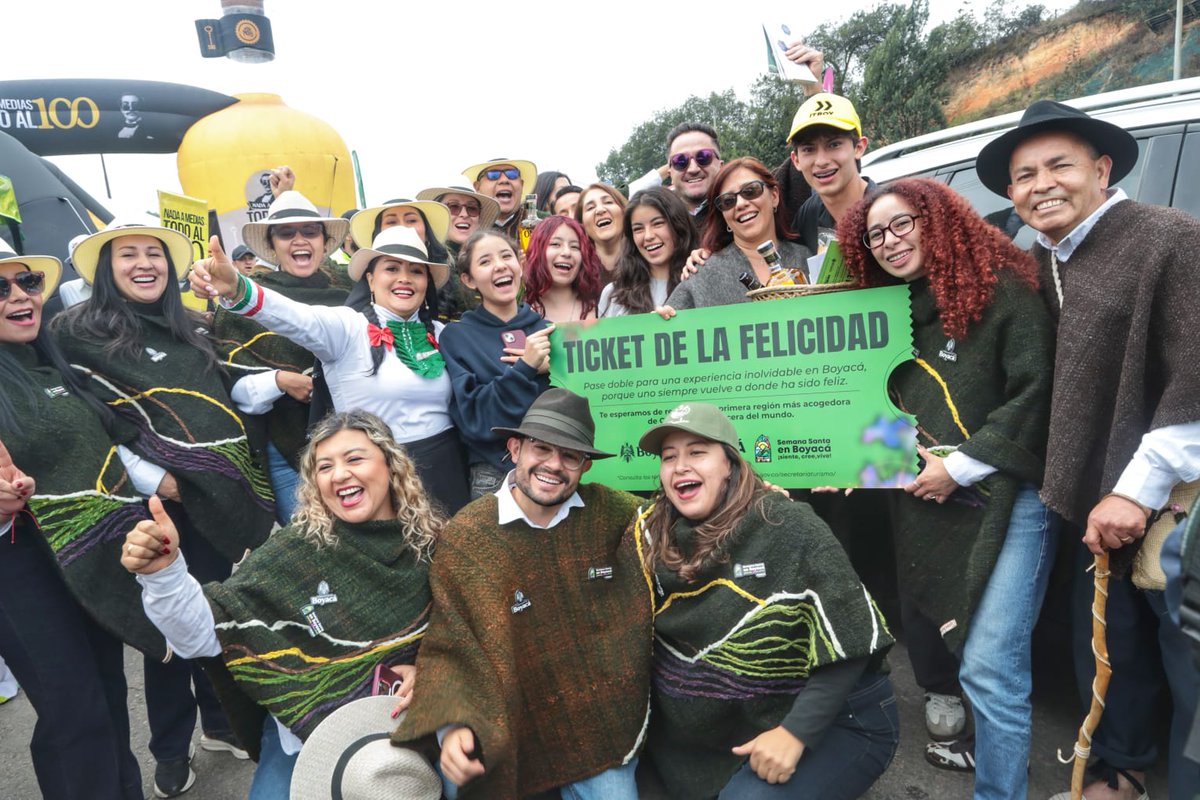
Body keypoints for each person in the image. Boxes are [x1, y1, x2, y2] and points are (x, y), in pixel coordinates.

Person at [974, 99, 1200, 800]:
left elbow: (1196, 370)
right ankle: (1122, 770)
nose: (1040, 185)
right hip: (1085, 495)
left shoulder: (1168, 239)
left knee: (1182, 652)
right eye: (1022, 175)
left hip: (1168, 500)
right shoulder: (1034, 263)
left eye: (1058, 166)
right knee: (1109, 640)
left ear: (1101, 169)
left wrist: (1136, 488)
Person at [838, 177, 1060, 800]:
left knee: (989, 669)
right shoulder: (887, 316)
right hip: (929, 503)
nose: (889, 241)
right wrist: (865, 464)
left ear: (937, 219)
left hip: (1012, 501)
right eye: (875, 234)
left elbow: (1035, 392)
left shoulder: (1004, 289)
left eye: (902, 224)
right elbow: (884, 407)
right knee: (973, 662)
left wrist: (958, 467)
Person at [51, 219, 275, 798]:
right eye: (129, 254)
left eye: (154, 253)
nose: (144, 263)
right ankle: (171, 749)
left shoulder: (192, 326)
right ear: (107, 267)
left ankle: (224, 724)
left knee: (222, 613)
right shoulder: (74, 333)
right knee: (169, 631)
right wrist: (159, 477)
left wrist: (277, 381)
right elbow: (89, 420)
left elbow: (220, 400)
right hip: (150, 500)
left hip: (220, 495)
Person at [122, 410, 442, 800]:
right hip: (307, 730)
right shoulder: (294, 551)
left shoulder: (435, 548)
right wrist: (165, 574)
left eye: (354, 459)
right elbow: (202, 638)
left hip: (416, 724)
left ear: (393, 467)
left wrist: (431, 669)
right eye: (324, 467)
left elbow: (469, 636)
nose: (339, 474)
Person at [393, 389, 651, 799]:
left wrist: (754, 496)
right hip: (507, 719)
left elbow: (682, 521)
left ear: (585, 465)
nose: (554, 465)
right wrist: (452, 724)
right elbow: (451, 643)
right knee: (468, 778)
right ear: (515, 449)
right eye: (541, 448)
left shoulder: (613, 512)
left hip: (595, 724)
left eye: (570, 456)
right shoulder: (469, 536)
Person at [636, 402, 897, 799]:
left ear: (730, 464)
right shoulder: (653, 532)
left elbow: (854, 635)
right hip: (727, 722)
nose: (680, 466)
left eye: (697, 452)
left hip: (838, 714)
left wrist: (796, 734)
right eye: (669, 457)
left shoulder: (786, 524)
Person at [0, 241, 147, 800]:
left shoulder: (49, 359)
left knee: (104, 700)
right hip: (20, 569)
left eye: (27, 283)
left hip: (89, 558)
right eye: (0, 287)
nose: (20, 296)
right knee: (76, 713)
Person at [190, 225, 470, 515]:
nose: (404, 278)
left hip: (447, 473)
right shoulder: (348, 328)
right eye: (392, 268)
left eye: (416, 271)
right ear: (371, 280)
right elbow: (295, 317)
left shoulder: (442, 333)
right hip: (377, 481)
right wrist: (238, 287)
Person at [223, 191, 352, 524]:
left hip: (356, 442)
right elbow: (228, 383)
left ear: (324, 241)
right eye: (286, 233)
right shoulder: (247, 298)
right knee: (311, 547)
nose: (299, 240)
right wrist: (278, 381)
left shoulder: (351, 295)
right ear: (272, 244)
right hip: (286, 449)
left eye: (310, 231)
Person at [438, 230, 552, 498]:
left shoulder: (549, 330)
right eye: (485, 261)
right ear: (468, 279)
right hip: (494, 474)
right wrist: (525, 369)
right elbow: (475, 419)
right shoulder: (457, 337)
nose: (500, 265)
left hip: (555, 468)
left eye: (506, 256)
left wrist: (556, 370)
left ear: (520, 265)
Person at [664, 157, 811, 310]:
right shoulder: (703, 274)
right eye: (728, 201)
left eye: (750, 191)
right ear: (723, 215)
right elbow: (664, 328)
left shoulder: (807, 258)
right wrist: (660, 319)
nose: (740, 204)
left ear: (774, 196)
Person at [787, 92, 873, 253]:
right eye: (808, 149)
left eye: (834, 145)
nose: (821, 161)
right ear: (796, 160)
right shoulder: (808, 215)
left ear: (859, 147)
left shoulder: (892, 212)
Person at [350, 198, 459, 318]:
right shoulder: (355, 324)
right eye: (391, 222)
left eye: (412, 220)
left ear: (427, 233)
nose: (402, 227)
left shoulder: (456, 282)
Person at [599, 188, 696, 317]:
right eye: (638, 229)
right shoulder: (613, 294)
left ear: (678, 225)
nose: (648, 236)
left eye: (658, 223)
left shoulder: (703, 281)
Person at [521, 215, 602, 323]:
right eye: (555, 244)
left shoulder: (602, 304)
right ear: (537, 252)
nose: (567, 253)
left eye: (575, 247)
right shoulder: (518, 307)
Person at [463, 158, 539, 239]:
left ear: (521, 184)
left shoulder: (544, 225)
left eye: (512, 174)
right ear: (477, 187)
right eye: (493, 175)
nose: (504, 180)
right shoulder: (465, 226)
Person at [575, 182, 628, 278]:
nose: (600, 210)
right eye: (590, 208)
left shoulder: (649, 260)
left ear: (624, 211)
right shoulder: (575, 272)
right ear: (581, 224)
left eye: (608, 202)